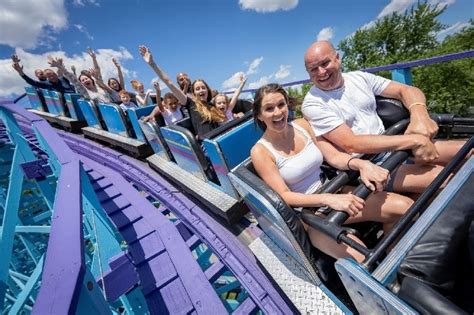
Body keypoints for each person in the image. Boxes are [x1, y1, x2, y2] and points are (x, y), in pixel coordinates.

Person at [251, 84, 413, 262]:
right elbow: (285, 196)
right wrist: (327, 199)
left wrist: (361, 164)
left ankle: (395, 261)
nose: (277, 112)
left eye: (281, 105)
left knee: (404, 208)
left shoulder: (302, 125)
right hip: (311, 215)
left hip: (335, 189)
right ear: (259, 115)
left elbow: (333, 157)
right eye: (269, 108)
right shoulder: (260, 151)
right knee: (361, 258)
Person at [302, 40, 465, 194]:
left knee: (467, 151)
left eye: (325, 63)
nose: (321, 72)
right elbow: (351, 143)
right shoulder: (313, 104)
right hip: (372, 163)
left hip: (395, 142)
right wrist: (415, 140)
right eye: (313, 69)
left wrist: (419, 115)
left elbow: (406, 90)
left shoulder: (359, 78)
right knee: (449, 179)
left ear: (337, 58)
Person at [139, 45, 224, 139]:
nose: (201, 90)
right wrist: (152, 64)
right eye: (197, 89)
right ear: (194, 93)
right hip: (208, 143)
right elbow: (169, 83)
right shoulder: (191, 103)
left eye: (203, 88)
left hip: (220, 137)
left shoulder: (211, 105)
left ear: (207, 90)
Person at [48, 57, 112, 104]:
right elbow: (72, 78)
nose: (85, 80)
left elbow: (98, 71)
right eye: (83, 80)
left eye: (86, 78)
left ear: (91, 79)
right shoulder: (85, 91)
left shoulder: (99, 86)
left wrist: (94, 58)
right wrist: (60, 67)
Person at [11, 54, 76, 95]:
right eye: (49, 76)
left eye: (52, 74)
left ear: (55, 74)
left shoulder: (63, 78)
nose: (51, 77)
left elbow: (69, 75)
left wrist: (60, 65)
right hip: (68, 105)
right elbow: (32, 82)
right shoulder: (47, 84)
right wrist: (20, 72)